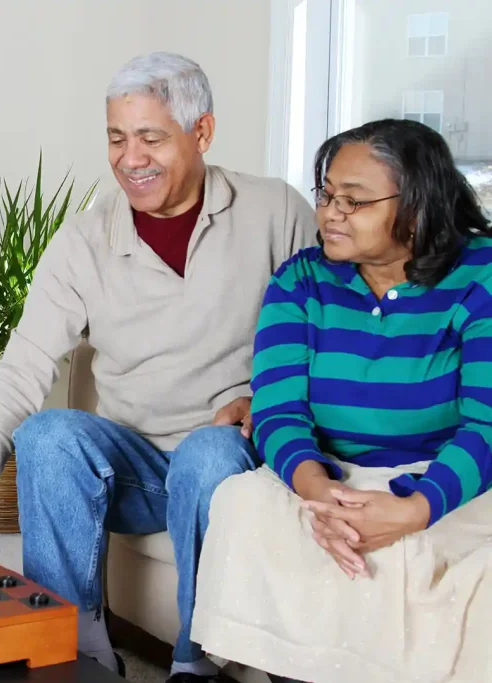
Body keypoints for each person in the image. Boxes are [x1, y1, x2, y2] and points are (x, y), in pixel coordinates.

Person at [0, 52, 317, 682]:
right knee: (48, 434)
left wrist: (270, 399)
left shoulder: (275, 211)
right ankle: (74, 649)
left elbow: (326, 330)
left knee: (209, 452)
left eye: (151, 137)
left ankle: (194, 661)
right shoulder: (83, 242)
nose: (130, 158)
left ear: (201, 133)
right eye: (117, 138)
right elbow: (22, 366)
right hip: (137, 471)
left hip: (233, 459)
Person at [190, 119, 492, 683]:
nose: (330, 212)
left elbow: (487, 426)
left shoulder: (482, 276)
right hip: (334, 477)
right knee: (242, 501)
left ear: (419, 206)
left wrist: (416, 507)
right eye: (326, 194)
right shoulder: (301, 281)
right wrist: (317, 491)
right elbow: (279, 411)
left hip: (450, 478)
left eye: (353, 201)